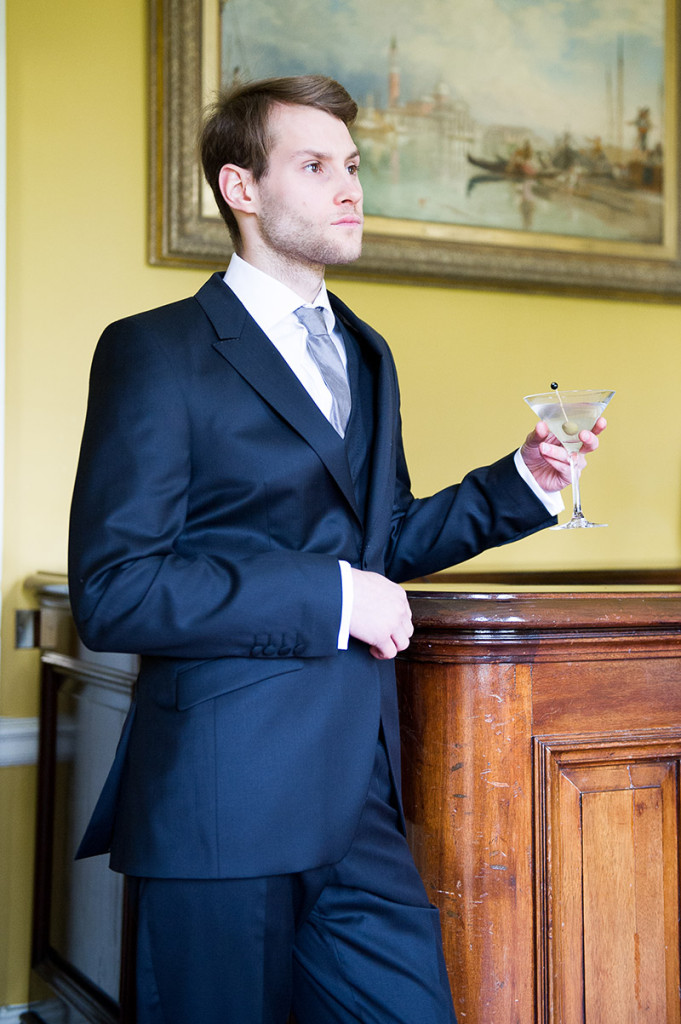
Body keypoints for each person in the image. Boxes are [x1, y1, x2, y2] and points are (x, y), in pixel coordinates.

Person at [68, 75, 605, 1024]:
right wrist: (329, 598)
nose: (349, 187)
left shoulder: (365, 351)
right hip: (217, 802)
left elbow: (382, 537)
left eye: (351, 167)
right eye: (314, 167)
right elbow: (119, 589)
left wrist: (521, 481)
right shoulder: (156, 350)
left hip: (358, 800)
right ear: (241, 188)